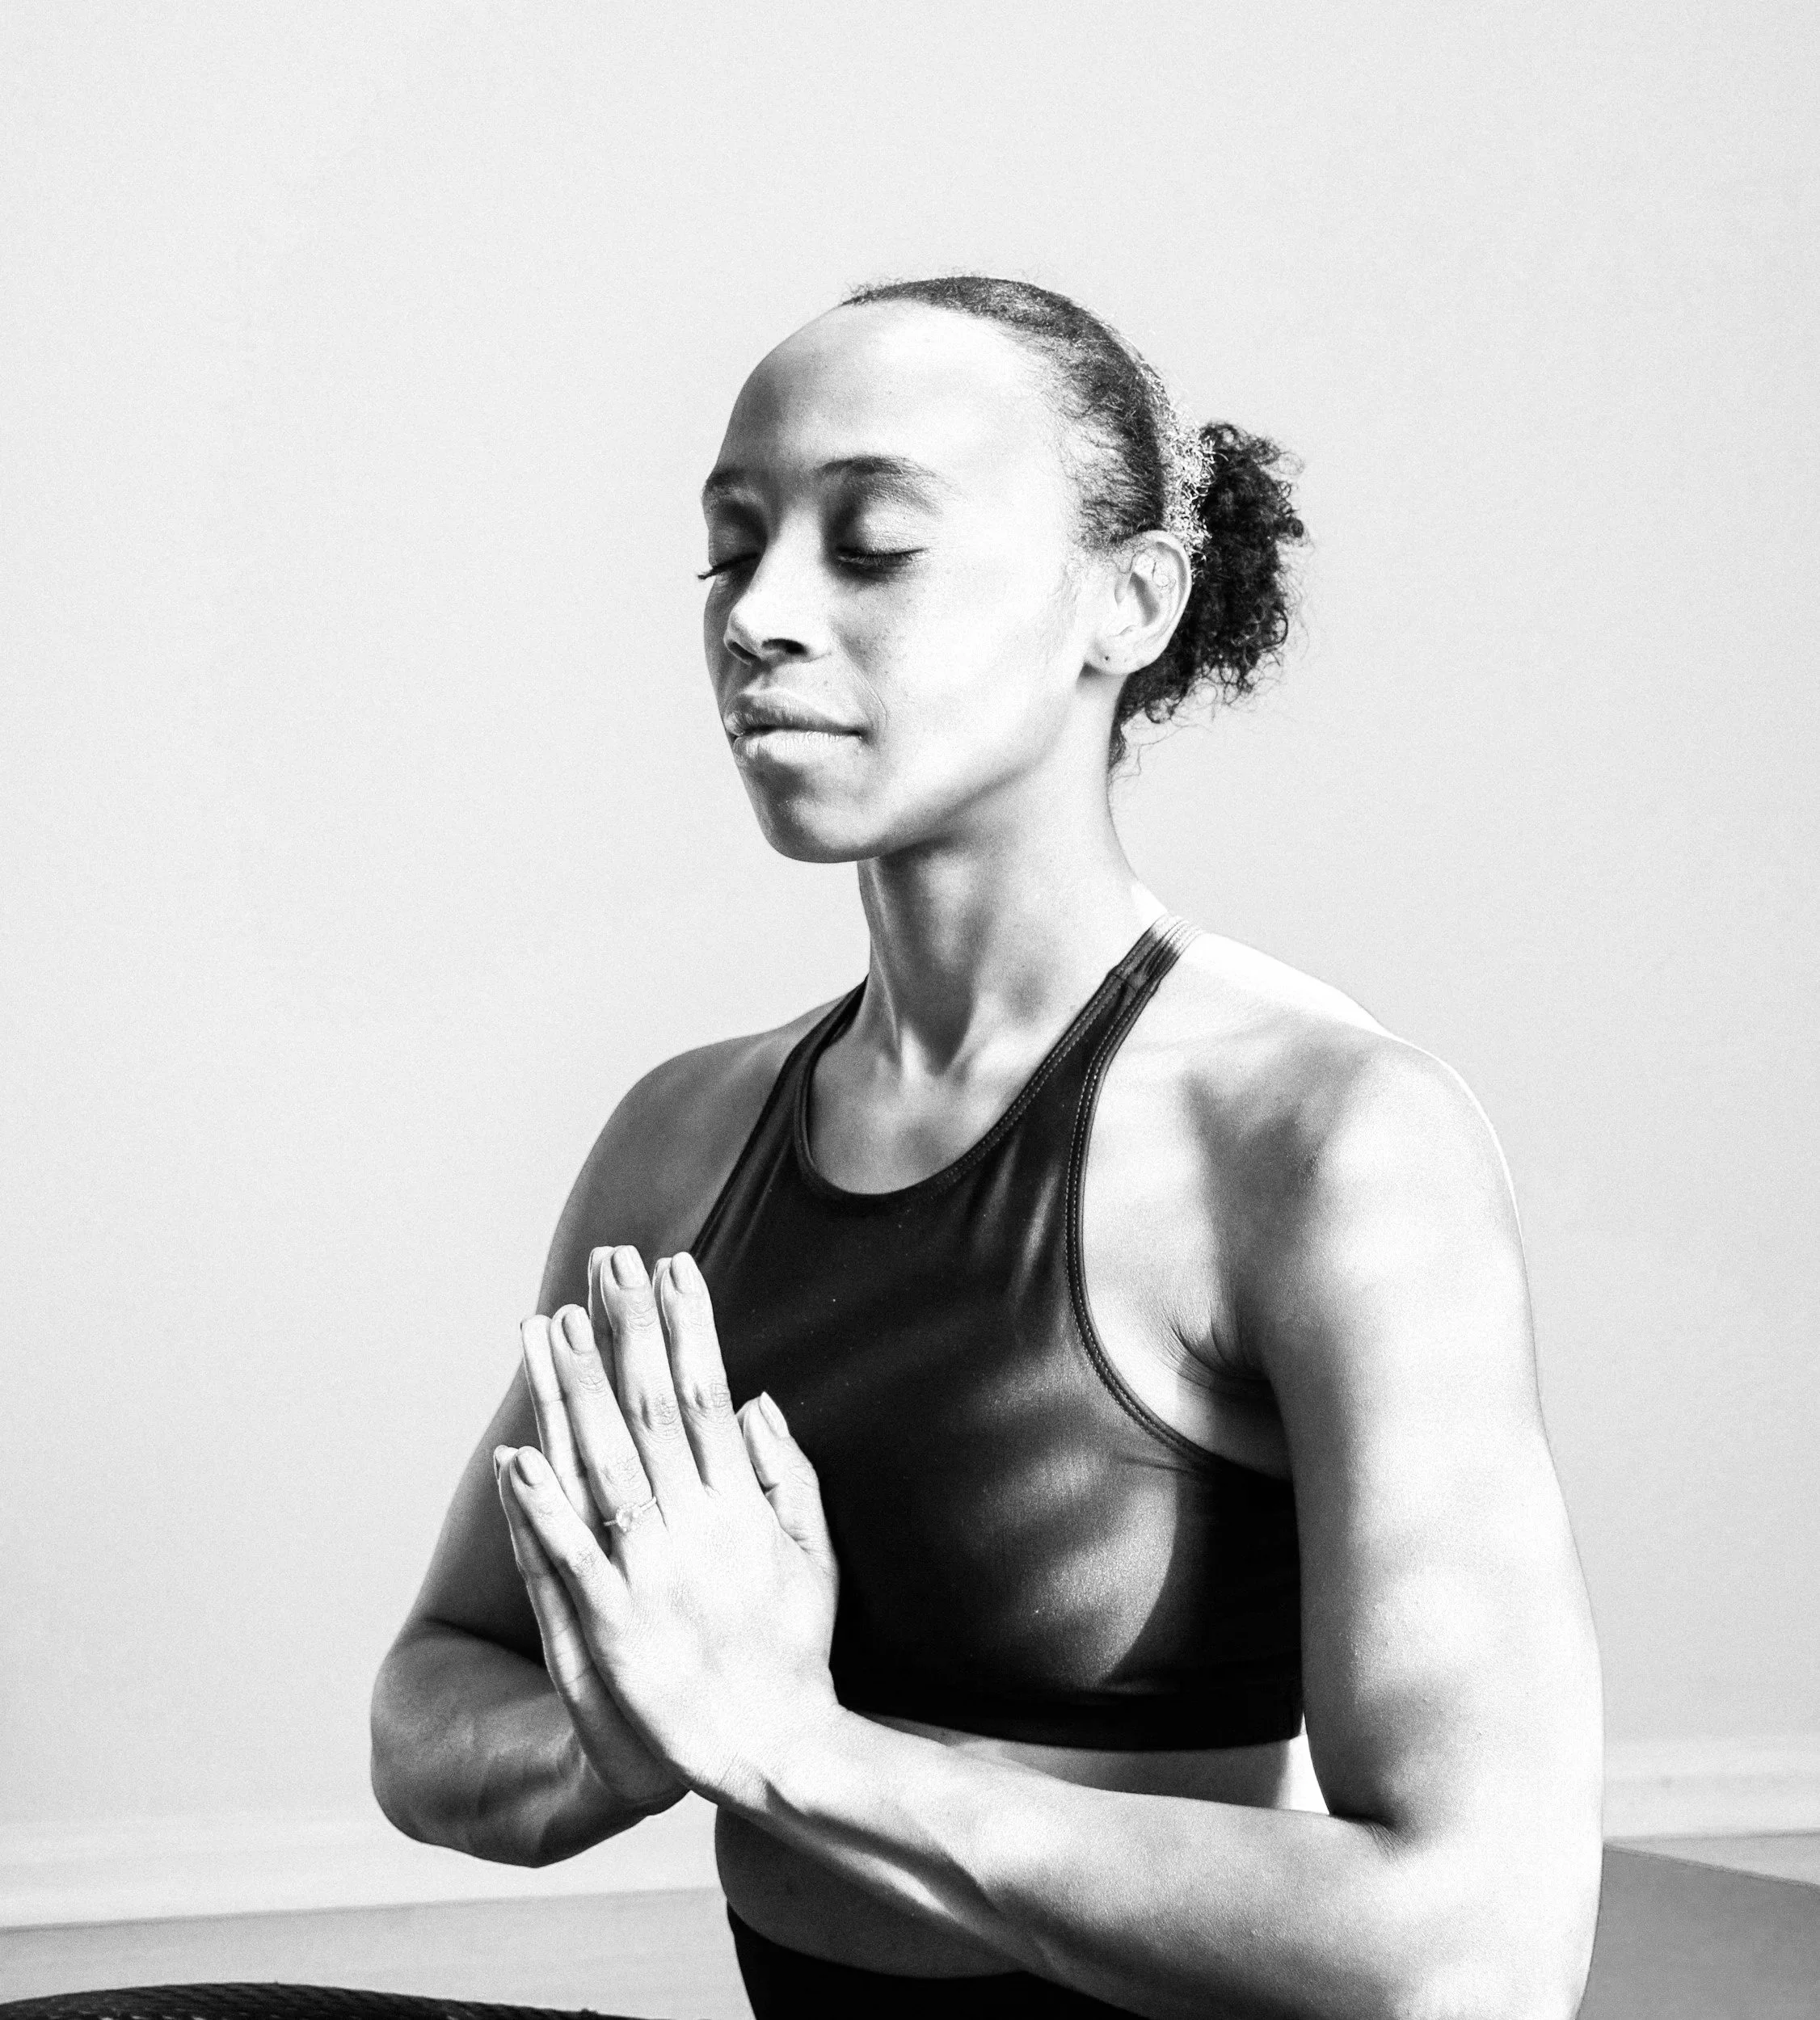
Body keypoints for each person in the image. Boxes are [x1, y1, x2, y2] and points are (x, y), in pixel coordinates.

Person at [370, 276, 1603, 2019]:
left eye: (870, 545)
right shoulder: (679, 1140)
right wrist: (621, 1739)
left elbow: (1471, 1948)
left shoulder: (1323, 1143)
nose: (760, 614)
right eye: (729, 549)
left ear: (1128, 599)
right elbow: (432, 1691)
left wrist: (796, 1752)